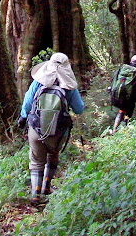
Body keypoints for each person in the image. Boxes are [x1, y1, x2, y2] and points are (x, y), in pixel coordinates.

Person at [18, 52, 85, 206]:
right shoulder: (69, 87)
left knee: (36, 161)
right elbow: (79, 109)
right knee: (52, 155)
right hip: (58, 132)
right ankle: (46, 187)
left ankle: (35, 195)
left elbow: (28, 103)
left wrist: (23, 117)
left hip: (36, 129)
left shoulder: (38, 82)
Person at [110, 54, 136, 132]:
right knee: (129, 109)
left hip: (117, 96)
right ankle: (125, 130)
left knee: (122, 110)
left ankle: (114, 129)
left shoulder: (121, 70)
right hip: (129, 100)